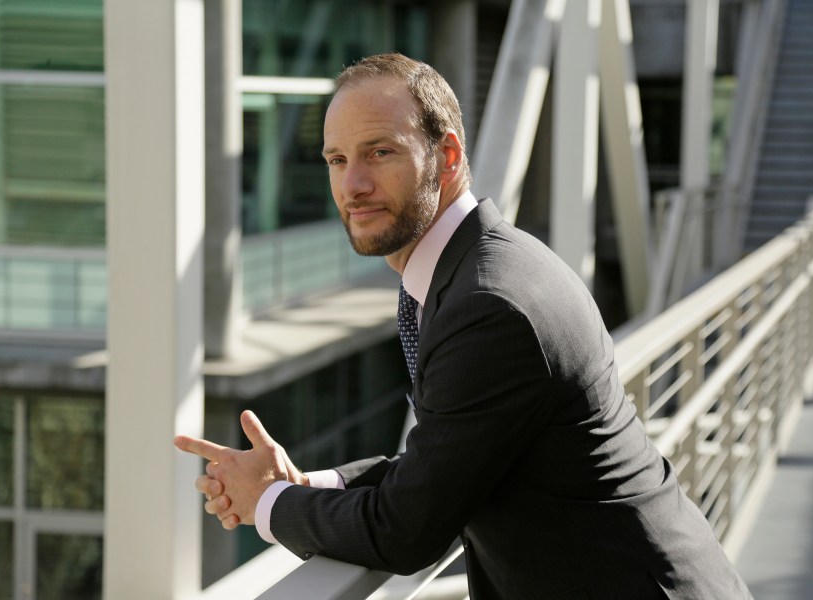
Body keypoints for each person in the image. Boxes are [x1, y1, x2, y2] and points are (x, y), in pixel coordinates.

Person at [175, 52, 752, 599]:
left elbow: (406, 531)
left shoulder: (490, 304)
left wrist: (268, 502)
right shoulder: (473, 269)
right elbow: (452, 451)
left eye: (380, 152)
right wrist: (308, 485)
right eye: (337, 159)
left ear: (447, 156)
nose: (352, 185)